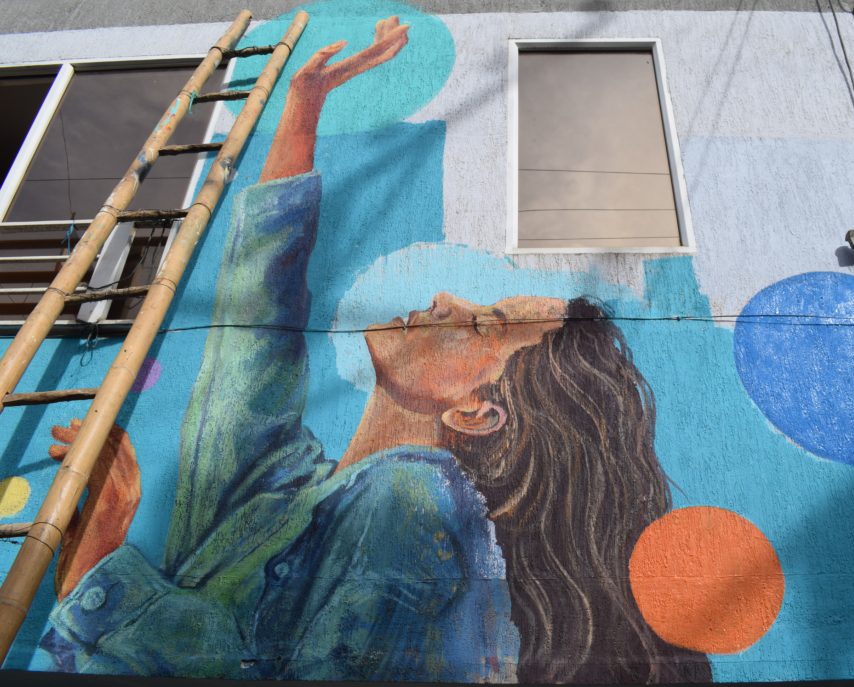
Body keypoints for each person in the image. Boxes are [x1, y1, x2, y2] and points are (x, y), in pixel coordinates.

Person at [42, 17, 710, 683]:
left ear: (476, 412)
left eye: (484, 325)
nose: (447, 298)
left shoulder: (411, 502)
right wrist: (304, 107)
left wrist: (100, 558)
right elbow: (254, 330)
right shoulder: (292, 498)